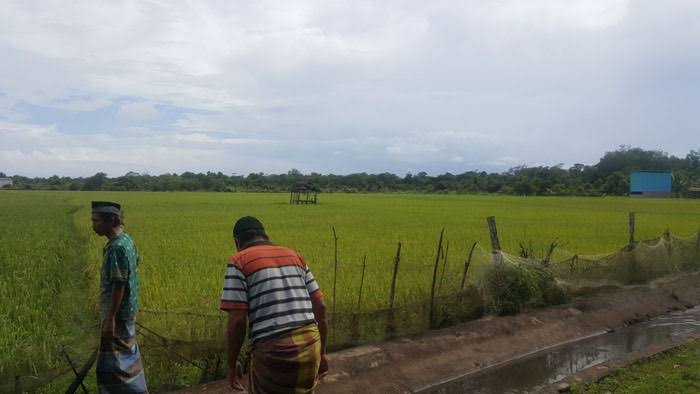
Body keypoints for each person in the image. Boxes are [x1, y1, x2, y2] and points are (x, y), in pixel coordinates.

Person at [220, 216, 328, 393]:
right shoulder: (295, 256)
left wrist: (231, 365)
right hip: (311, 345)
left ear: (237, 242)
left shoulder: (239, 261)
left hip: (275, 352)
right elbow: (321, 307)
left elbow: (238, 321)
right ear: (266, 235)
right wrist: (322, 353)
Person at [91, 201, 148, 394]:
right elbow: (135, 264)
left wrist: (110, 319)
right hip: (127, 311)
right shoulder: (127, 240)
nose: (93, 225)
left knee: (115, 367)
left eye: (96, 220)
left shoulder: (116, 247)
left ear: (110, 221)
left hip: (118, 315)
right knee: (128, 359)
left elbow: (119, 285)